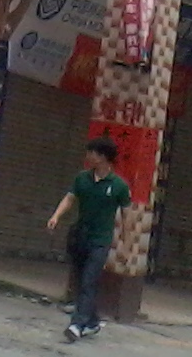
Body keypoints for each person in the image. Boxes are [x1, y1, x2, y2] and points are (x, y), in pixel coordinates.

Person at [46, 136, 132, 343]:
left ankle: (77, 325)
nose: (88, 156)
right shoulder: (82, 178)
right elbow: (70, 198)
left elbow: (127, 217)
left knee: (89, 281)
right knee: (81, 281)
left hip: (100, 241)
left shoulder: (119, 186)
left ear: (102, 157)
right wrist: (56, 216)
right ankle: (92, 321)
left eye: (91, 152)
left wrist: (125, 246)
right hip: (80, 236)